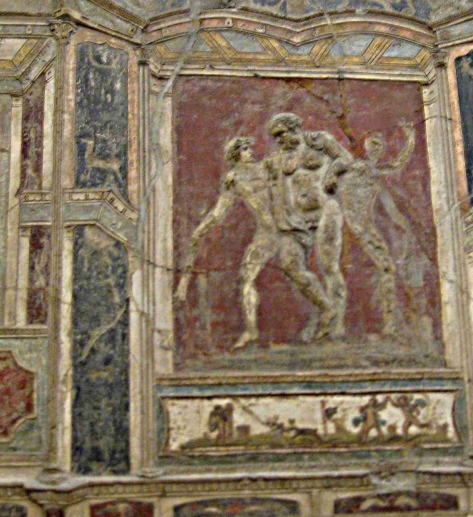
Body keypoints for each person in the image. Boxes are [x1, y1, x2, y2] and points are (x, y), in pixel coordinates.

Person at [176, 135, 336, 349]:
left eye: (249, 148)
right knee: (247, 277)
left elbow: (295, 168)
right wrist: (200, 230)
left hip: (287, 228)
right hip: (265, 234)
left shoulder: (267, 167)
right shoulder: (235, 181)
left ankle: (326, 308)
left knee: (295, 271)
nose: (250, 152)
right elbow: (218, 213)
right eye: (244, 149)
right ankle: (251, 330)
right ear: (235, 155)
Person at [264, 112, 353, 338]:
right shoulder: (278, 159)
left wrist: (331, 174)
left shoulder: (318, 141)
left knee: (329, 266)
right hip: (295, 220)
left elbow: (345, 158)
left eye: (282, 134)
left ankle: (338, 324)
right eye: (276, 137)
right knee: (289, 265)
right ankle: (326, 308)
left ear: (294, 128)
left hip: (324, 211)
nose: (279, 140)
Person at [336, 120, 416, 336]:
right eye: (372, 145)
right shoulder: (355, 168)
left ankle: (389, 324)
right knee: (339, 272)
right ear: (364, 148)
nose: (376, 150)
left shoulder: (374, 172)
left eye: (379, 147)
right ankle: (336, 325)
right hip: (347, 226)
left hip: (362, 227)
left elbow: (398, 165)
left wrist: (410, 140)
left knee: (387, 268)